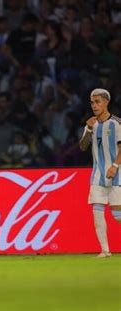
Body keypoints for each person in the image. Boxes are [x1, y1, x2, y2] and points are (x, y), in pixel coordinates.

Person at [79, 88, 121, 258]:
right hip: (97, 175)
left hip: (116, 174)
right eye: (92, 102)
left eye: (97, 102)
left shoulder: (117, 123)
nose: (94, 106)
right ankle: (105, 250)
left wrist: (115, 166)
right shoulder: (91, 124)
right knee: (97, 211)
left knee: (117, 215)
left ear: (106, 102)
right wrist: (88, 129)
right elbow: (82, 146)